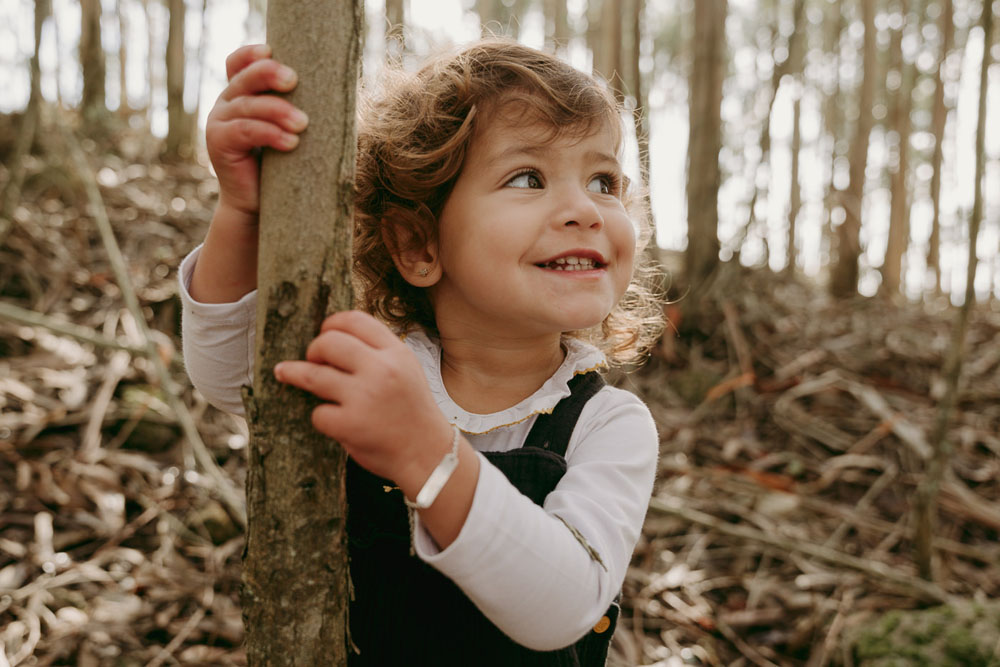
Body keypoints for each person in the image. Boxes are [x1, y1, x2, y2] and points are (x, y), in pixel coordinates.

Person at [180, 38, 664, 666]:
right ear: (418, 244)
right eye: (527, 177)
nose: (584, 210)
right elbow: (235, 377)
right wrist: (243, 211)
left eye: (604, 180)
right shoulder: (385, 367)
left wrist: (427, 456)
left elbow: (565, 604)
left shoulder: (609, 426)